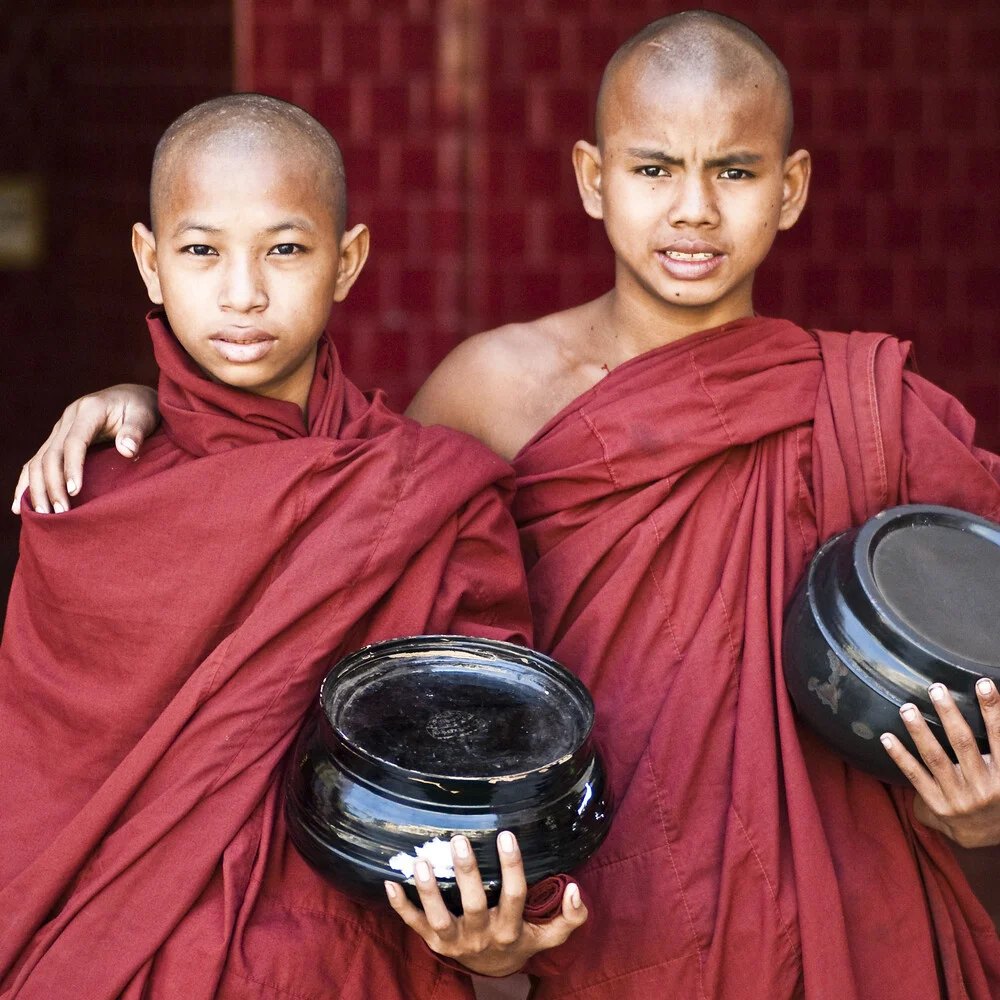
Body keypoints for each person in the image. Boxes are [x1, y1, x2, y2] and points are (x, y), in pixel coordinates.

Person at [15, 12, 1000, 998]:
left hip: (847, 929)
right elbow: (320, 500)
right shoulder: (491, 396)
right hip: (621, 928)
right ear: (591, 177)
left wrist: (981, 815)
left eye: (732, 172)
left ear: (787, 189)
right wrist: (145, 402)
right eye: (654, 169)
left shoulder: (863, 408)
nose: (692, 210)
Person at [0, 94, 587, 1000]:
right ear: (149, 265)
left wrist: (498, 928)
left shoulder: (430, 496)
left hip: (344, 964)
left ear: (346, 262)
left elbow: (493, 753)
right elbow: (35, 792)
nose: (243, 291)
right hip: (123, 965)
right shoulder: (89, 503)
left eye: (285, 248)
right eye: (201, 252)